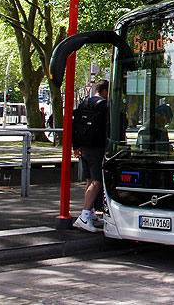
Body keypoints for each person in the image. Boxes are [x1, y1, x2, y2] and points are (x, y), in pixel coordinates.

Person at [73, 80, 109, 233]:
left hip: (84, 147)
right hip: (97, 148)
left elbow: (76, 125)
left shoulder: (84, 103)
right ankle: (84, 215)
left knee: (89, 181)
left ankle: (92, 213)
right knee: (97, 182)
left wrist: (76, 146)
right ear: (105, 91)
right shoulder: (104, 106)